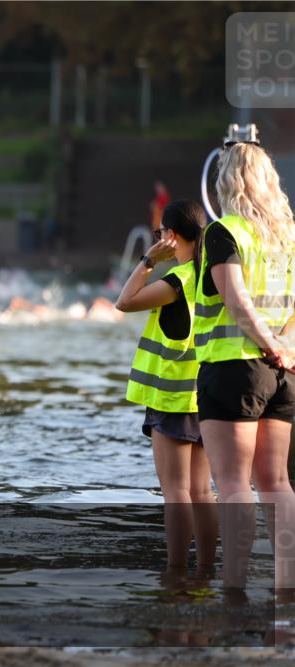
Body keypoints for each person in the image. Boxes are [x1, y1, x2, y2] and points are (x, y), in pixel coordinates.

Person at [193, 141, 295, 592]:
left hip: (234, 368)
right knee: (276, 483)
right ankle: (286, 584)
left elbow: (235, 303)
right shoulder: (285, 239)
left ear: (226, 182)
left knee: (233, 485)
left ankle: (233, 589)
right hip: (284, 373)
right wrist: (284, 348)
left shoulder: (224, 232)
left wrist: (268, 344)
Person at [116, 200, 217, 575]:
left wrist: (148, 261)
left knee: (175, 492)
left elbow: (124, 302)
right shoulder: (213, 275)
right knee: (203, 492)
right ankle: (206, 572)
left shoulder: (177, 281)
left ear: (170, 236)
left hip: (173, 399)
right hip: (206, 397)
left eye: (161, 232)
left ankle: (176, 574)